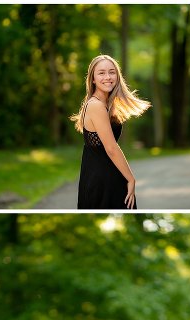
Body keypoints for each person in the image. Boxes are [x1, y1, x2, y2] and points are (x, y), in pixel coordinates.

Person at [70, 55, 151, 210]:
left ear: (118, 76)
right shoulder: (96, 106)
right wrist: (131, 179)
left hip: (107, 176)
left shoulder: (106, 104)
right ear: (93, 79)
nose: (108, 77)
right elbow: (111, 148)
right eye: (101, 73)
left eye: (112, 72)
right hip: (102, 180)